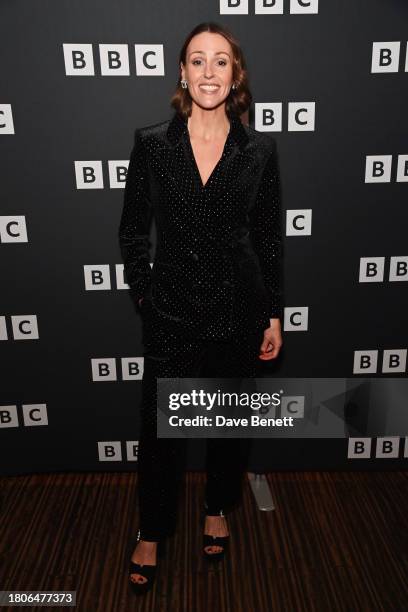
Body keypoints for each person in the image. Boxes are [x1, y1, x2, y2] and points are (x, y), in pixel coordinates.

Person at [118, 21, 284, 595]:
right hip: (172, 315)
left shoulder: (259, 149)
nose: (208, 72)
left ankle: (217, 506)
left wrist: (273, 314)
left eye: (220, 61)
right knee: (161, 434)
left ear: (235, 75)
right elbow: (134, 233)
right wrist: (147, 294)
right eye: (197, 60)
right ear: (182, 73)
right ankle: (153, 528)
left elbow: (268, 239)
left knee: (228, 426)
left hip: (239, 312)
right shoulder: (152, 145)